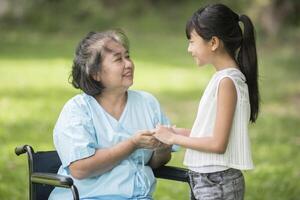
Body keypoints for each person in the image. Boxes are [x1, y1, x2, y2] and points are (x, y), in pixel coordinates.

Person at [49, 29, 172, 200]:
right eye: (118, 59)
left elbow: (153, 163)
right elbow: (80, 168)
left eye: (127, 56)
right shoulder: (77, 110)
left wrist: (162, 149)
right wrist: (132, 144)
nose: (128, 64)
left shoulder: (147, 103)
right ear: (95, 73)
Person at [154, 4, 259, 200]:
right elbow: (211, 135)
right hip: (210, 180)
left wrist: (173, 139)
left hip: (216, 183)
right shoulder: (223, 78)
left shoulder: (227, 82)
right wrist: (177, 132)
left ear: (213, 43)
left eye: (192, 41)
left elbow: (218, 144)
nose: (189, 48)